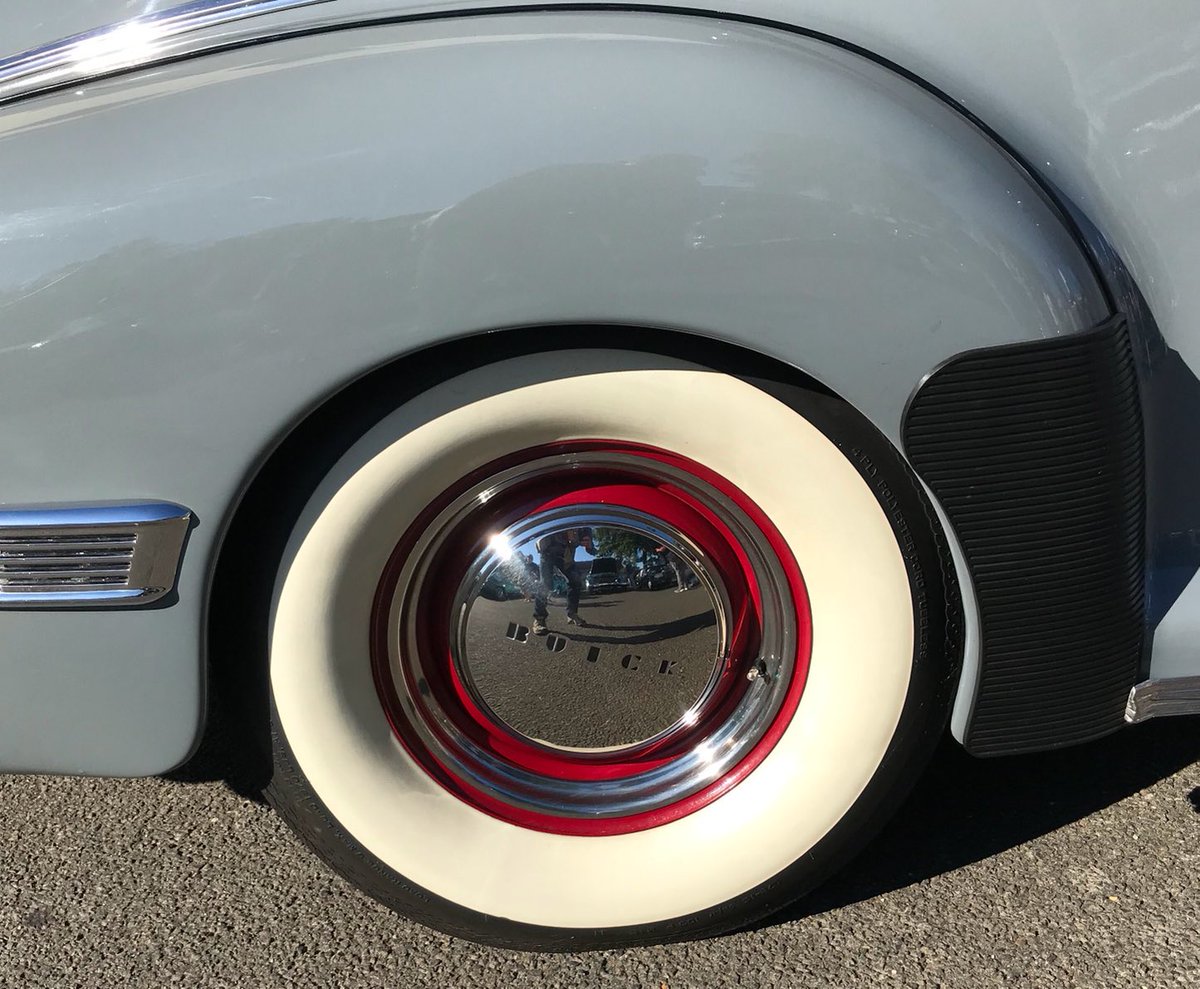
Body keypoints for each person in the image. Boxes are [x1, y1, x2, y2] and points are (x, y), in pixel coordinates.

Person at [532, 527, 595, 635]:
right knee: (546, 584)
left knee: (575, 580)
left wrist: (588, 544)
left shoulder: (583, 527)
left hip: (566, 557)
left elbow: (590, 547)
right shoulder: (557, 517)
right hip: (548, 552)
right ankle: (539, 618)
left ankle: (572, 613)